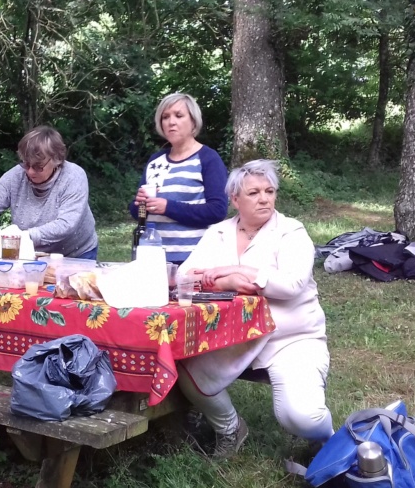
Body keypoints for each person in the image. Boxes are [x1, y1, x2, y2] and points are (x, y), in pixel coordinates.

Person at [176, 159, 333, 457]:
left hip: (289, 338)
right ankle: (230, 428)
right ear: (235, 199)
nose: (264, 198)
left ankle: (332, 440)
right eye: (254, 193)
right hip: (229, 337)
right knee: (182, 364)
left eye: (270, 191)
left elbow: (290, 286)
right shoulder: (218, 232)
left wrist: (244, 273)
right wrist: (228, 282)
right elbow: (186, 276)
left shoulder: (291, 231)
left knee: (301, 417)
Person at [0, 126, 98, 259]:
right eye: (26, 164)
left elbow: (66, 224)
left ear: (57, 160)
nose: (30, 171)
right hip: (33, 252)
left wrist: (23, 236)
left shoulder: (73, 176)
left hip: (77, 253)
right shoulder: (16, 175)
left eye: (38, 166)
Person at [130, 93, 228, 264]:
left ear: (193, 122)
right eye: (165, 117)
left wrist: (168, 207)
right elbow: (138, 213)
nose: (171, 122)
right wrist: (139, 204)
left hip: (194, 259)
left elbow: (218, 210)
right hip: (153, 258)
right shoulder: (155, 160)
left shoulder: (208, 158)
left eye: (179, 115)